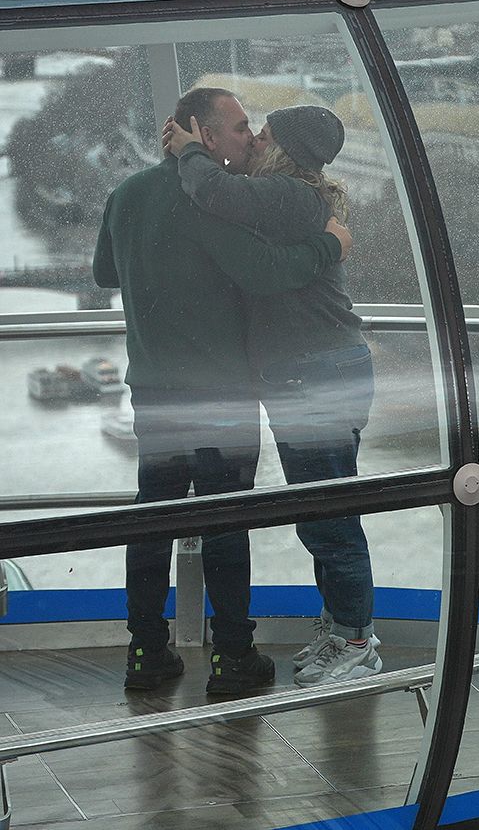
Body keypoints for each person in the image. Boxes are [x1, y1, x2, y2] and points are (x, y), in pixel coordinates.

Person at [95, 87, 349, 694]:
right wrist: (329, 245)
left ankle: (145, 652)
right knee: (225, 520)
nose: (248, 138)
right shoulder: (210, 201)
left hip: (153, 389)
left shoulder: (126, 193)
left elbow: (106, 272)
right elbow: (264, 273)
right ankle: (233, 656)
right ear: (204, 136)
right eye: (238, 128)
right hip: (221, 394)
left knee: (152, 518)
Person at [163, 106, 381, 687]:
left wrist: (189, 148)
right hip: (316, 373)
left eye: (264, 134)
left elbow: (215, 191)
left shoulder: (290, 195)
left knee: (329, 518)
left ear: (286, 150)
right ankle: (341, 628)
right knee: (322, 512)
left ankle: (356, 642)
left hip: (316, 377)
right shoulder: (293, 200)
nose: (255, 140)